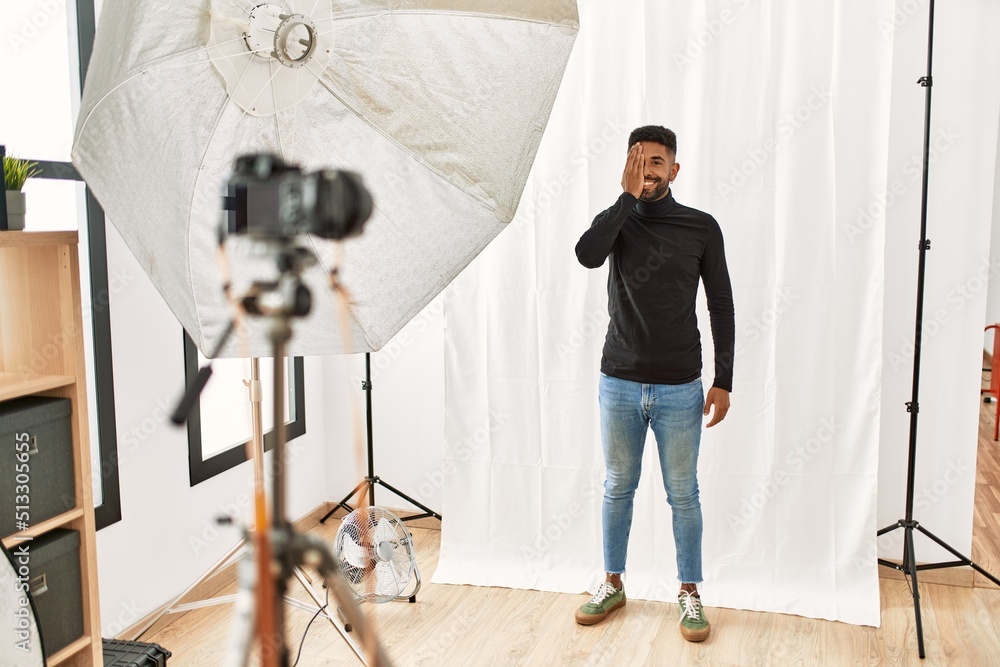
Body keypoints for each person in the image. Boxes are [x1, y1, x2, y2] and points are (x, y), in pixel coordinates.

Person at [573, 125, 735, 642]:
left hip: (679, 386)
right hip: (617, 380)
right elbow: (586, 254)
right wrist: (624, 198)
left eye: (657, 162)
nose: (648, 171)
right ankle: (612, 583)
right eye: (639, 162)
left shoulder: (701, 227)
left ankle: (689, 593)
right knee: (618, 488)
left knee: (683, 493)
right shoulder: (616, 221)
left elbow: (721, 304)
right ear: (628, 166)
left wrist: (724, 379)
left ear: (674, 169)